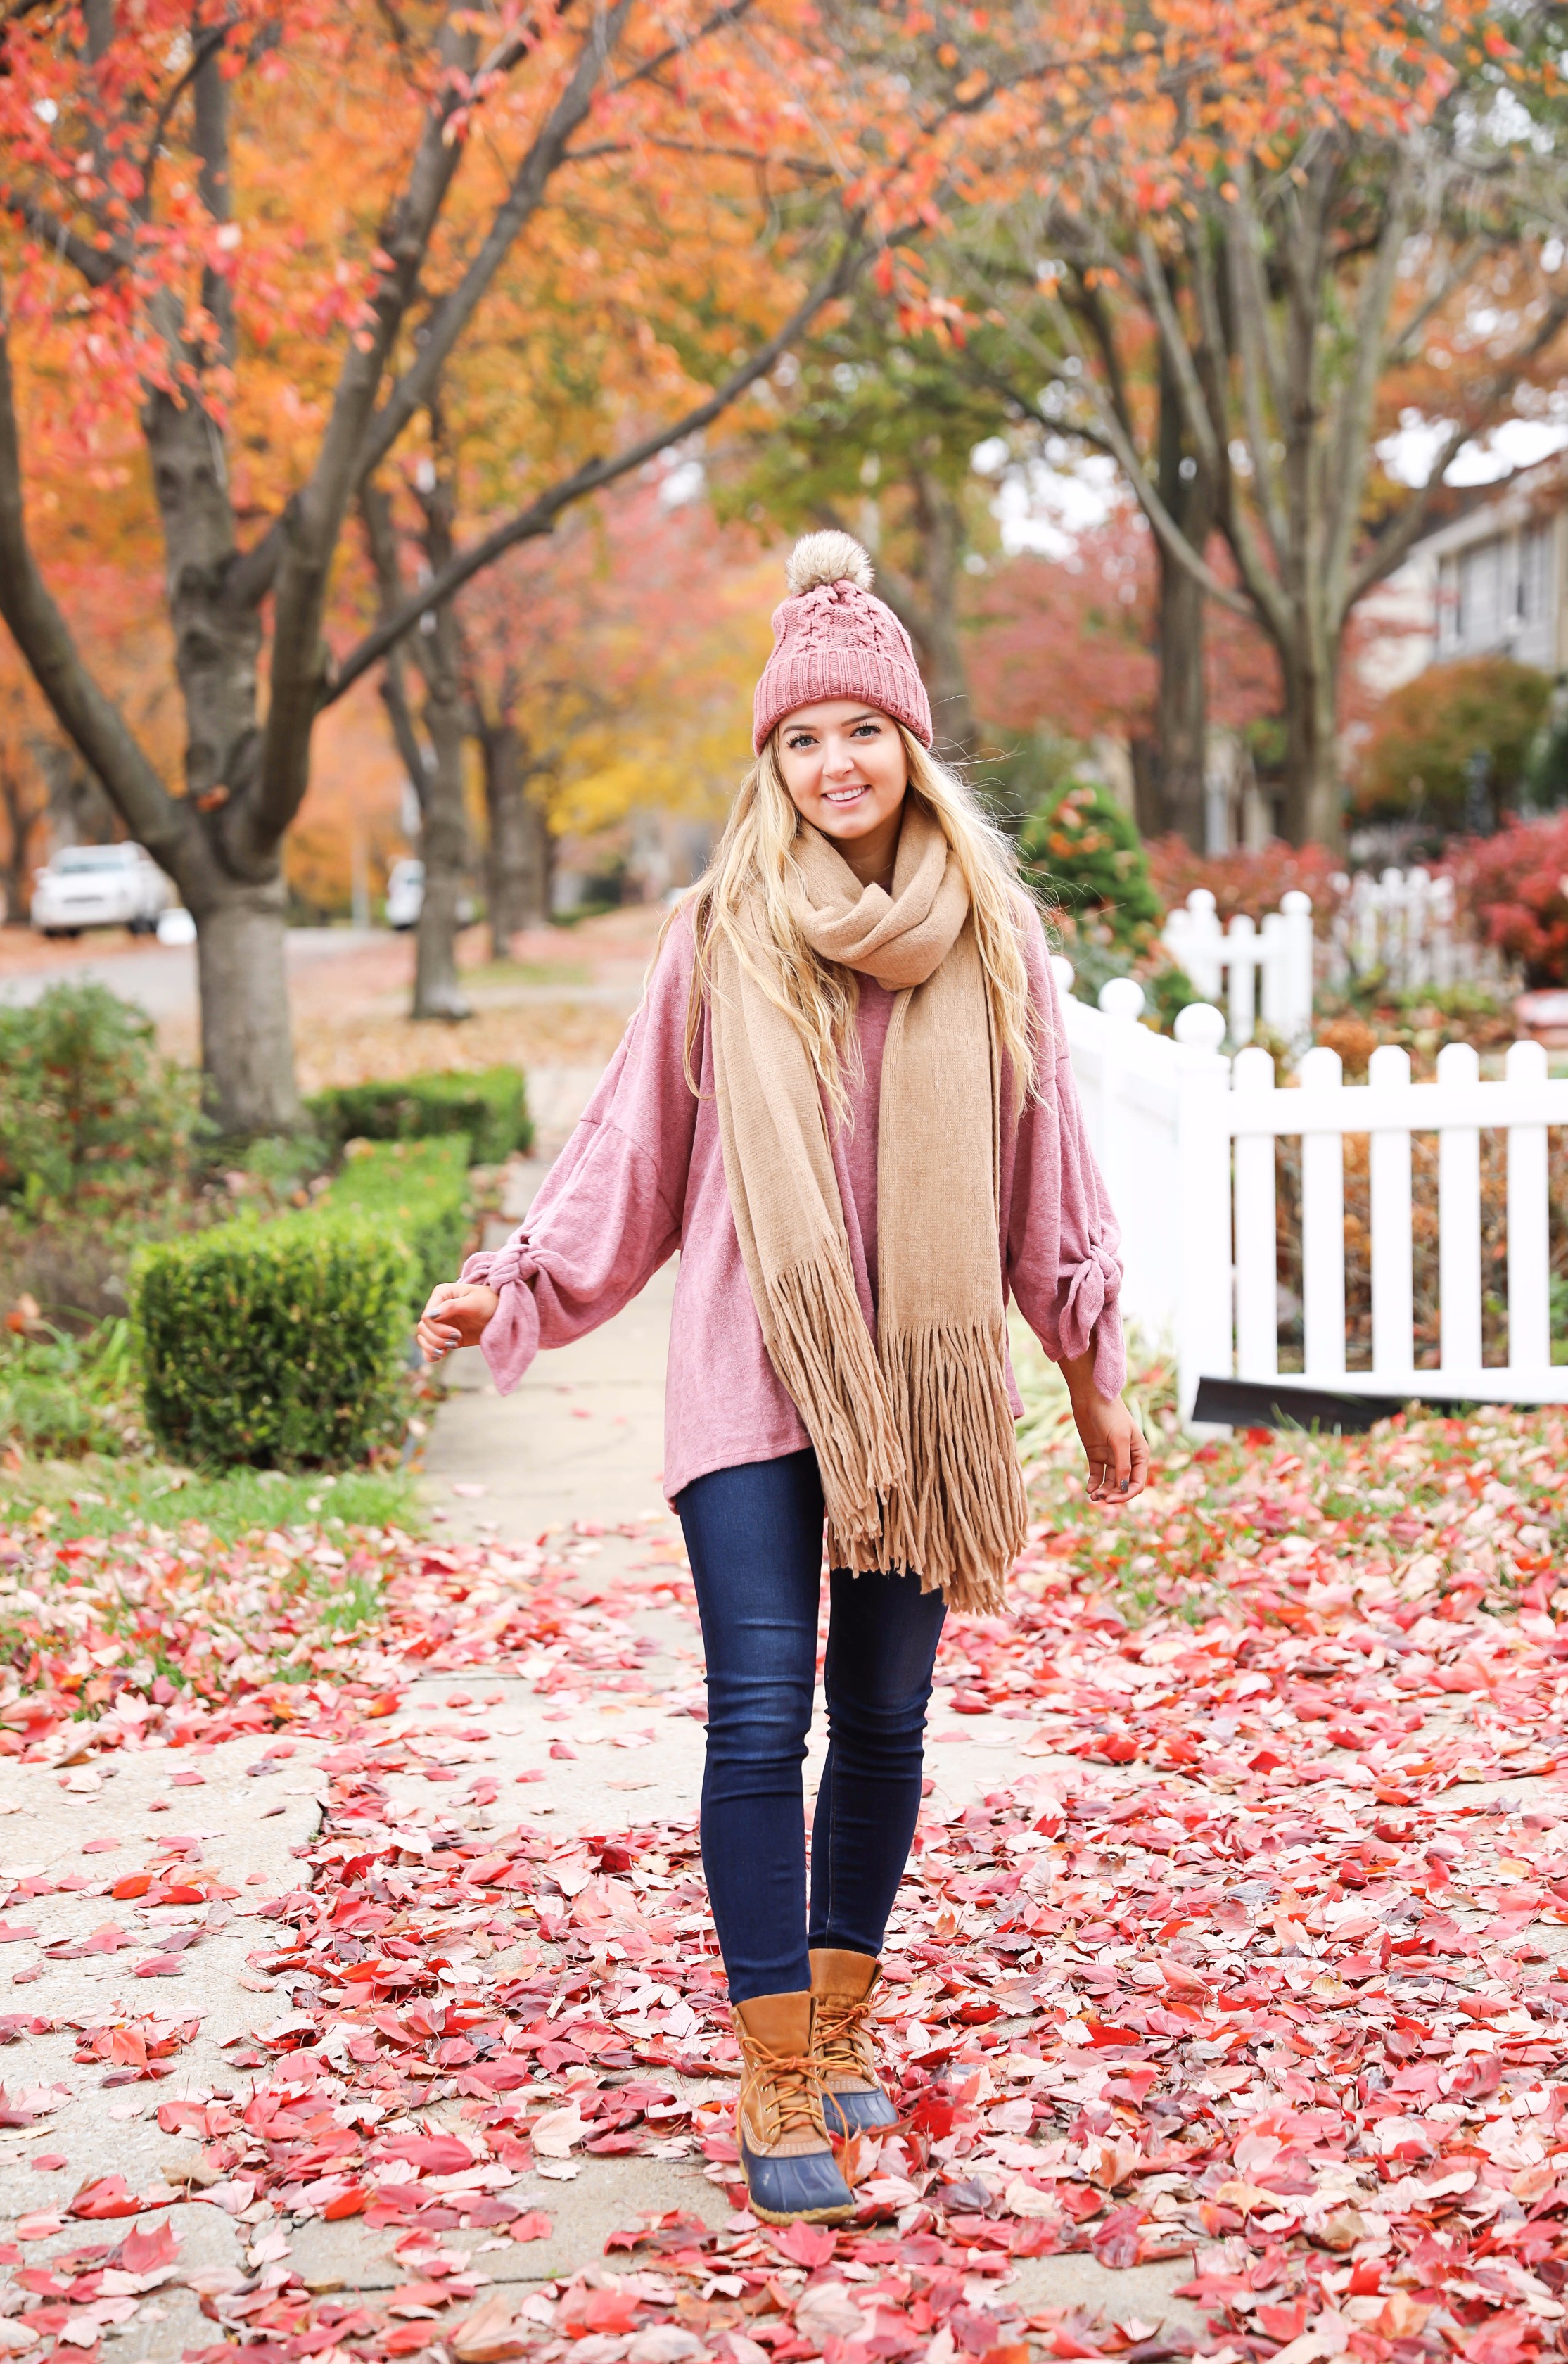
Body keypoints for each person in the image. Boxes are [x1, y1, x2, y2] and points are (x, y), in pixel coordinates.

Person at [416, 530, 1148, 2227]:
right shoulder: (717, 932)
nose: (833, 765)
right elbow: (631, 1157)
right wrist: (513, 1286)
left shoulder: (990, 934)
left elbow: (1048, 1162)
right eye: (801, 738)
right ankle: (770, 2074)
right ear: (773, 760)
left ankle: (834, 2019)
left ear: (909, 747)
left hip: (922, 1384)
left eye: (861, 733)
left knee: (885, 1719)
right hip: (753, 1368)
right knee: (762, 1710)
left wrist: (1090, 1371)